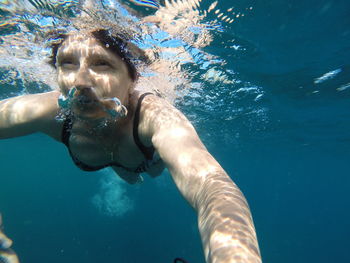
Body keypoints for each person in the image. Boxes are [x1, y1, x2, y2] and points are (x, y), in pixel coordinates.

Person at [0, 29, 262, 263]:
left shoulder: (153, 115)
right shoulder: (43, 111)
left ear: (132, 80)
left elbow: (212, 186)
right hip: (117, 156)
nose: (79, 82)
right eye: (67, 64)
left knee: (149, 169)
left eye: (102, 64)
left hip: (145, 156)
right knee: (126, 172)